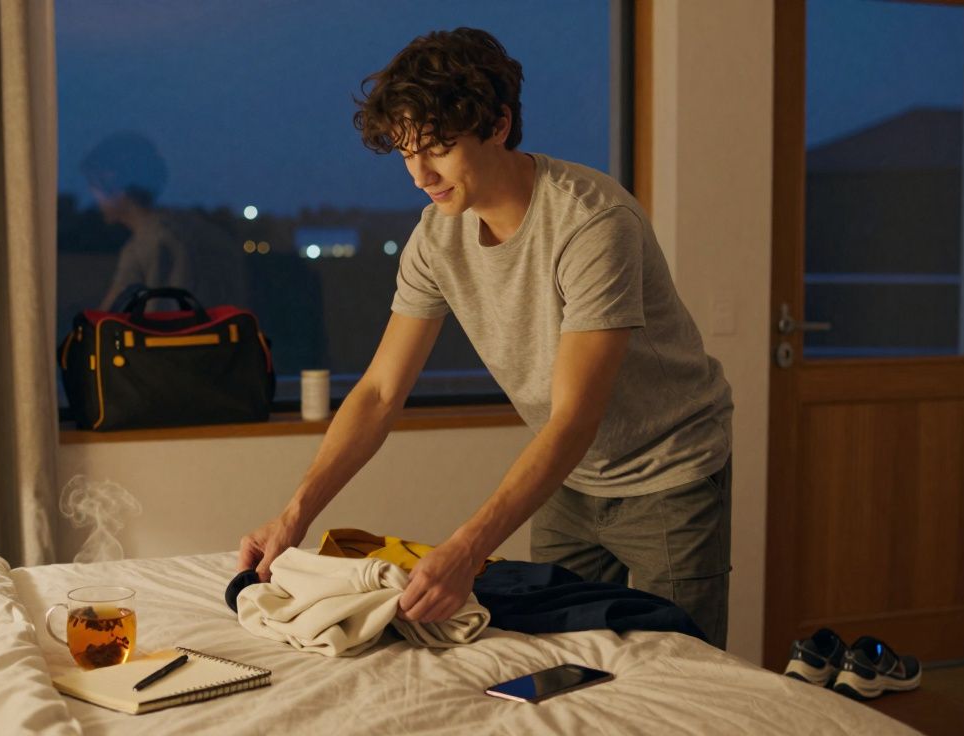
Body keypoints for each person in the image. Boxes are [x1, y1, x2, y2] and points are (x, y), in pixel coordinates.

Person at [237, 28, 734, 648]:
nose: (420, 175)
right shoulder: (436, 238)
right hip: (570, 480)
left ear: (497, 126)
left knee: (678, 669)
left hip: (669, 471)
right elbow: (379, 393)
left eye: (438, 148)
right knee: (560, 657)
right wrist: (295, 514)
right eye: (405, 152)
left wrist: (467, 548)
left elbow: (575, 417)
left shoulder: (592, 224)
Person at [81, 132, 239, 311]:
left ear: (112, 182)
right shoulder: (204, 231)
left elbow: (151, 320)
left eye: (94, 186)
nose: (94, 198)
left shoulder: (153, 243)